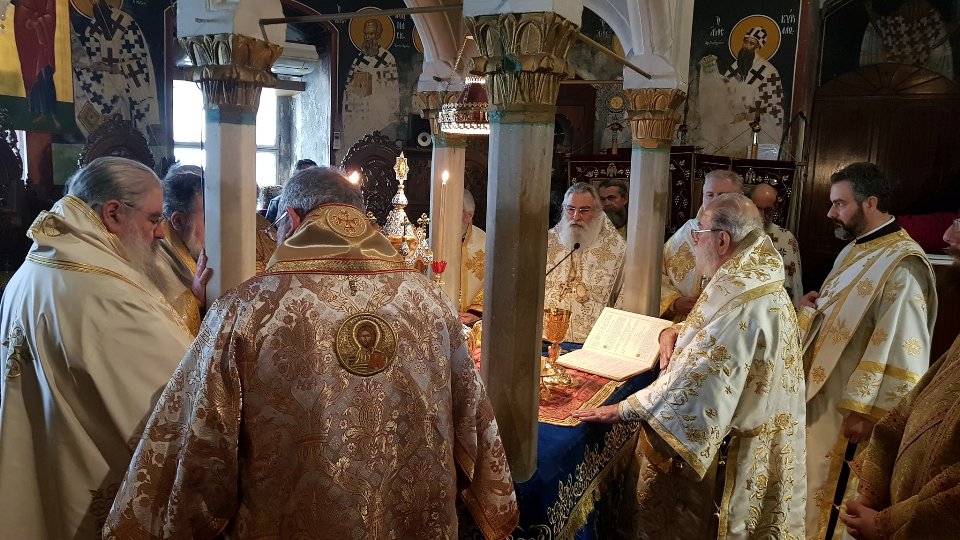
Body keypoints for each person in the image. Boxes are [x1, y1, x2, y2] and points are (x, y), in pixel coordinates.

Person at [105, 167, 519, 539]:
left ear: (291, 219)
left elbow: (202, 443)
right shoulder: (430, 301)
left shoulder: (247, 309)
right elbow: (473, 421)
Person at [574, 193, 806, 538]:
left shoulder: (743, 297)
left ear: (722, 240)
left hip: (732, 454)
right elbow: (720, 333)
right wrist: (678, 330)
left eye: (699, 234)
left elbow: (703, 378)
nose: (694, 243)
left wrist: (625, 407)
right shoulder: (751, 278)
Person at [0, 157, 195, 538]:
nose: (160, 234)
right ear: (113, 213)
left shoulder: (35, 266)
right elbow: (184, 401)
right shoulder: (107, 297)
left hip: (38, 470)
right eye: (154, 219)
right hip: (87, 496)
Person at [800, 162, 937, 540]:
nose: (831, 213)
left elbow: (900, 344)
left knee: (831, 491)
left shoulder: (902, 264)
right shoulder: (855, 248)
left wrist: (865, 410)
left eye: (840, 204)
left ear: (870, 203)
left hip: (850, 407)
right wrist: (813, 308)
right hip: (823, 394)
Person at [839, 216, 960, 539]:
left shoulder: (904, 265)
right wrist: (873, 486)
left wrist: (887, 523)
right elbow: (916, 402)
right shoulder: (854, 251)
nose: (947, 234)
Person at [543, 182, 625, 343]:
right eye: (570, 209)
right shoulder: (547, 242)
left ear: (597, 212)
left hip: (592, 343)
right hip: (545, 339)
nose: (576, 217)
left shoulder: (617, 250)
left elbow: (624, 301)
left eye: (584, 210)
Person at [661, 169, 743, 320]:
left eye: (723, 196)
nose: (715, 202)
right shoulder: (686, 232)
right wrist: (674, 302)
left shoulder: (748, 236)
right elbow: (658, 274)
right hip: (684, 324)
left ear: (739, 198)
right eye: (710, 195)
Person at [697, 27, 785, 157]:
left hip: (752, 135)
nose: (747, 46)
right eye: (745, 42)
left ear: (758, 47)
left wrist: (747, 113)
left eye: (751, 43)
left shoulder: (769, 72)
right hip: (730, 136)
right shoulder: (734, 68)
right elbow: (722, 93)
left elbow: (773, 109)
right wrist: (711, 72)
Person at [157, 170, 210, 335]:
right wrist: (196, 299)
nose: (217, 229)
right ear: (179, 221)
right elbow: (162, 327)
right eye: (208, 218)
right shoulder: (157, 258)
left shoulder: (190, 245)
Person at [751, 182, 804, 306]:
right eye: (758, 208)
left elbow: (794, 282)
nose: (762, 215)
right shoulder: (740, 235)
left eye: (768, 210)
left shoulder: (786, 238)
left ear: (775, 207)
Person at [460, 189, 485, 326]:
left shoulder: (486, 244)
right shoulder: (432, 243)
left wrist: (475, 313)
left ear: (469, 215)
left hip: (473, 322)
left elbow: (494, 282)